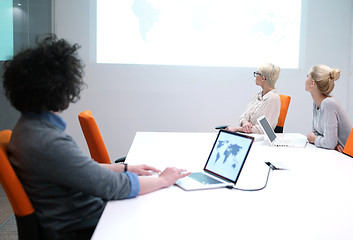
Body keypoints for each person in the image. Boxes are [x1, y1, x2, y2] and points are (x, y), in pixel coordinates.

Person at [2, 34, 190, 239]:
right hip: (87, 226)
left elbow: (79, 169)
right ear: (62, 86)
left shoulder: (30, 128)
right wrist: (163, 180)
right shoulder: (46, 141)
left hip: (85, 216)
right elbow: (111, 187)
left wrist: (125, 167)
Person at [305, 64, 352, 152]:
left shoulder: (328, 104)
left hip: (347, 157)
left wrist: (315, 139)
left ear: (312, 83)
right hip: (335, 153)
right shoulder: (316, 103)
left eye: (307, 76)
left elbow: (329, 143)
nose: (305, 79)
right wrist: (316, 138)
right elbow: (316, 133)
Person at [226, 63, 281, 134]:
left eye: (257, 73)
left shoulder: (273, 99)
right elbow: (244, 116)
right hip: (249, 136)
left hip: (260, 140)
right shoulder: (258, 95)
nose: (255, 76)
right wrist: (245, 123)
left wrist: (236, 129)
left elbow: (264, 129)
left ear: (263, 78)